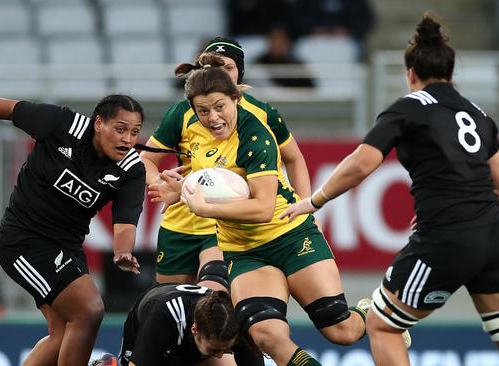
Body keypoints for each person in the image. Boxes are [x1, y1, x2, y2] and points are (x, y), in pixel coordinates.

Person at [280, 12, 499, 366]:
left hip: (446, 238)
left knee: (382, 326)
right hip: (496, 236)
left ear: (410, 74)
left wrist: (314, 200)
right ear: (451, 73)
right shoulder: (476, 113)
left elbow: (361, 163)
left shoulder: (408, 109)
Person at [148, 54, 381, 366]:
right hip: (243, 251)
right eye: (203, 111)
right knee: (267, 336)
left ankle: (374, 310)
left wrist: (204, 207)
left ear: (236, 98)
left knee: (341, 330)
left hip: (288, 237)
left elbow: (262, 207)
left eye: (220, 107)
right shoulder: (195, 134)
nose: (213, 117)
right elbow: (212, 177)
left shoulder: (256, 134)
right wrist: (181, 189)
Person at [0, 95, 146, 366]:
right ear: (99, 123)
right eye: (121, 129)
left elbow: (125, 223)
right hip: (22, 240)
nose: (127, 139)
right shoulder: (62, 125)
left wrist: (122, 251)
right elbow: (9, 109)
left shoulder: (131, 169)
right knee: (89, 309)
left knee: (63, 332)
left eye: (134, 132)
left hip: (67, 248)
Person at [139, 36, 311, 288]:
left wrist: (304, 209)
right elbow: (146, 160)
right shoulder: (182, 112)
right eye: (215, 69)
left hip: (226, 226)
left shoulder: (262, 114)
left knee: (213, 297)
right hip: (181, 221)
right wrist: (160, 183)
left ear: (240, 72)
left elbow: (294, 159)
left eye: (229, 68)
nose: (223, 75)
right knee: (172, 301)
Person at [100, 282, 242, 366]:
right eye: (214, 350)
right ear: (195, 329)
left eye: (225, 349)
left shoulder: (232, 325)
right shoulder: (163, 318)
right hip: (151, 326)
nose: (220, 355)